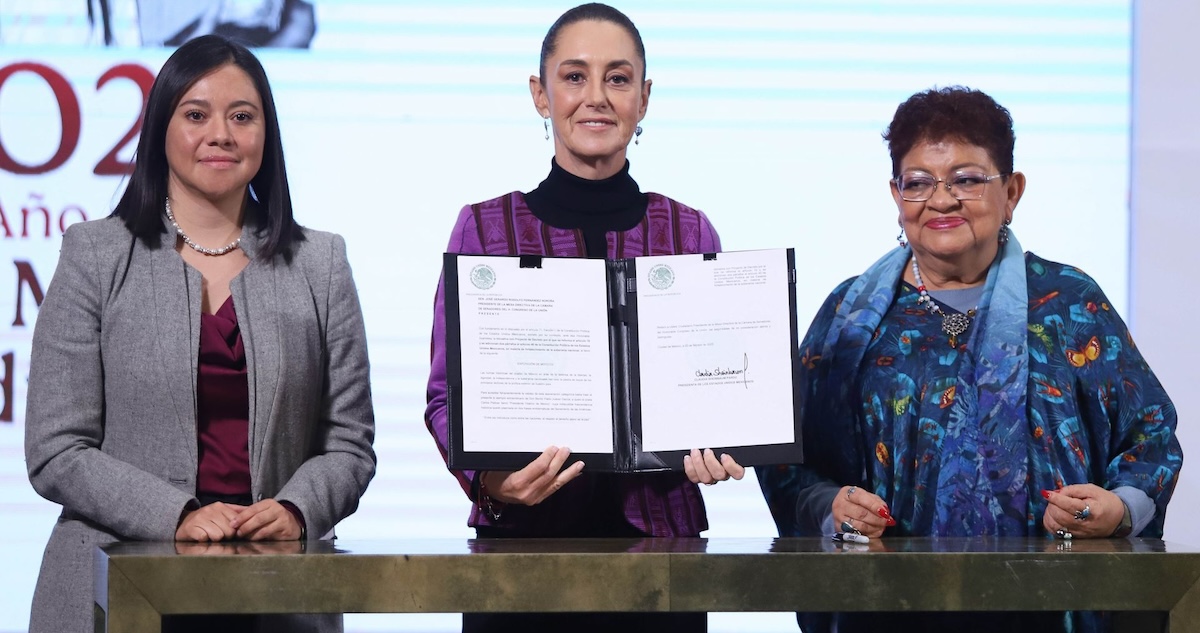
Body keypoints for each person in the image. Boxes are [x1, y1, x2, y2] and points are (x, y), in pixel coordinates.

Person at [757, 86, 1183, 633]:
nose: (942, 200)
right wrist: (828, 507)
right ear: (895, 194)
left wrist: (1118, 510)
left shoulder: (1069, 303)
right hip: (883, 609)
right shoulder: (847, 316)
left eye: (967, 179)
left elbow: (1150, 438)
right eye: (919, 182)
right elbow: (785, 452)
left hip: (1049, 607)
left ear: (1012, 191)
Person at [23, 34, 375, 633]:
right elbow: (57, 449)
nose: (221, 134)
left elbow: (348, 444)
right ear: (162, 129)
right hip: (119, 589)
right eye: (196, 114)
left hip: (278, 593)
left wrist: (297, 509)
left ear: (267, 134)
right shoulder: (95, 255)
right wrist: (176, 514)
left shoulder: (322, 264)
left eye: (243, 116)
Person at [424, 4, 741, 632]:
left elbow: (717, 389)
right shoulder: (485, 229)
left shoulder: (688, 230)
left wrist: (725, 439)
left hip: (663, 565)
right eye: (574, 77)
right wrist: (489, 480)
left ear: (644, 99)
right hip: (520, 557)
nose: (595, 97)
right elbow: (445, 398)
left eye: (618, 79)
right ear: (540, 94)